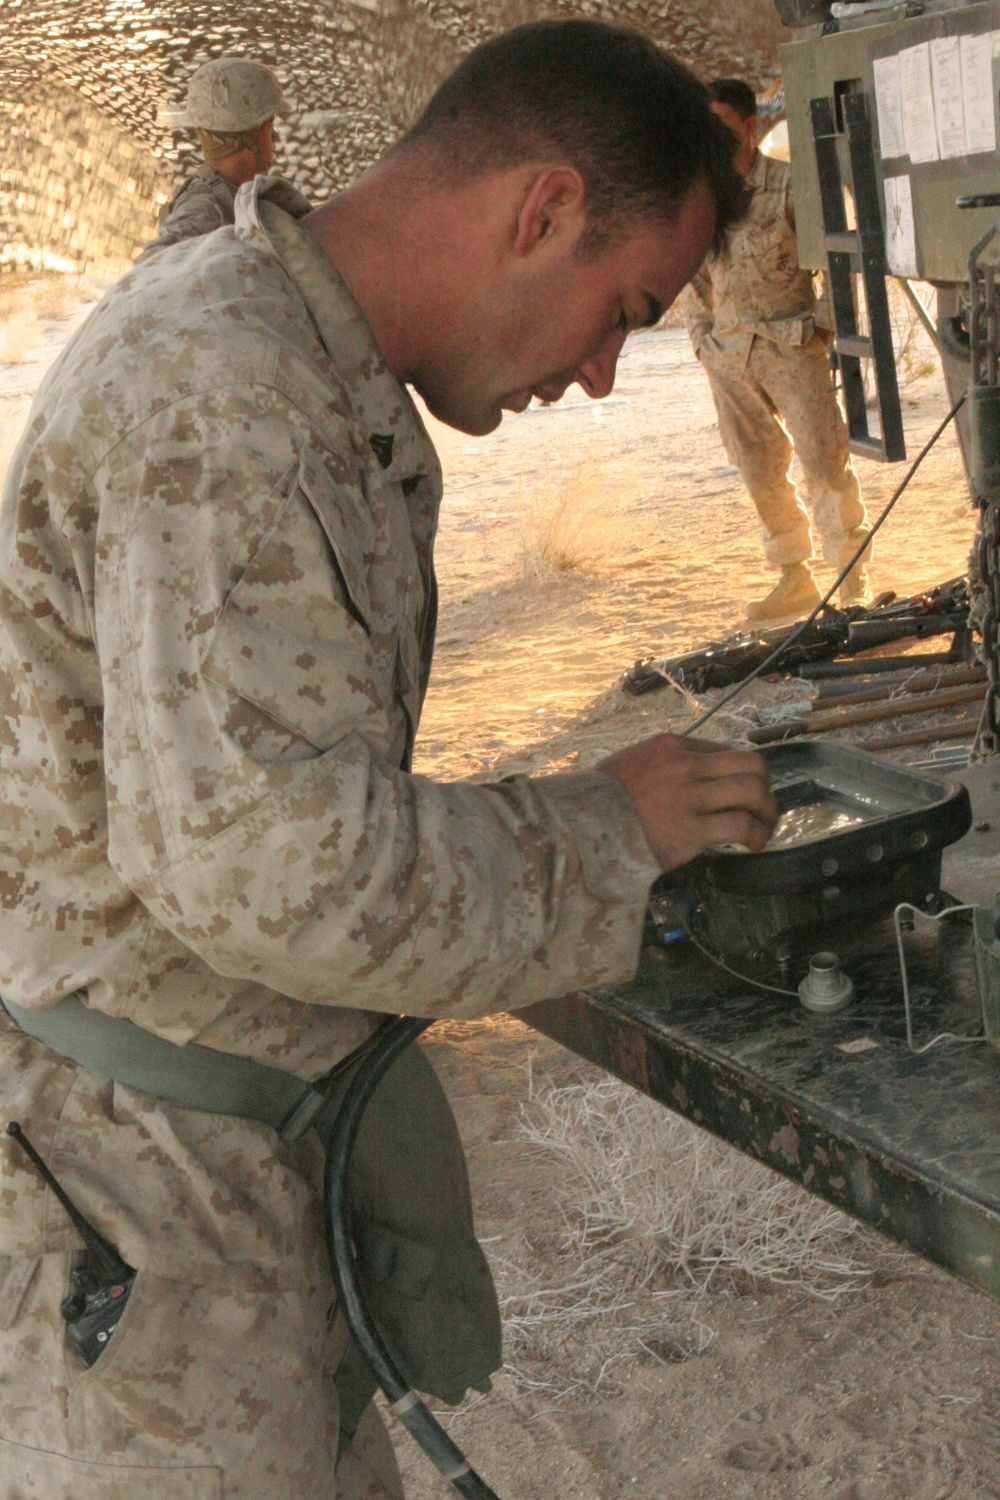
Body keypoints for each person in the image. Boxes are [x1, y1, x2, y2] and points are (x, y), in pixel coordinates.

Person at [0, 22, 777, 1500]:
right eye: (623, 309)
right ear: (541, 210)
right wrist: (603, 832)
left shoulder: (283, 338)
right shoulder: (234, 394)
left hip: (203, 1170)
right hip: (145, 1217)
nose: (609, 374)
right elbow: (270, 873)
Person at [684, 77, 872, 622]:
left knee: (822, 461)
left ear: (749, 128)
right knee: (758, 468)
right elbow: (694, 280)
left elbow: (838, 257)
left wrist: (823, 327)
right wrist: (703, 341)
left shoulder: (790, 187)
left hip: (792, 347)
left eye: (722, 128)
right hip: (730, 356)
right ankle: (794, 577)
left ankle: (851, 580)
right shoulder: (706, 201)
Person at [147, 55, 293, 256]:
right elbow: (154, 267)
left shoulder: (235, 196)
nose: (275, 137)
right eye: (269, 128)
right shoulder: (203, 210)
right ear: (248, 137)